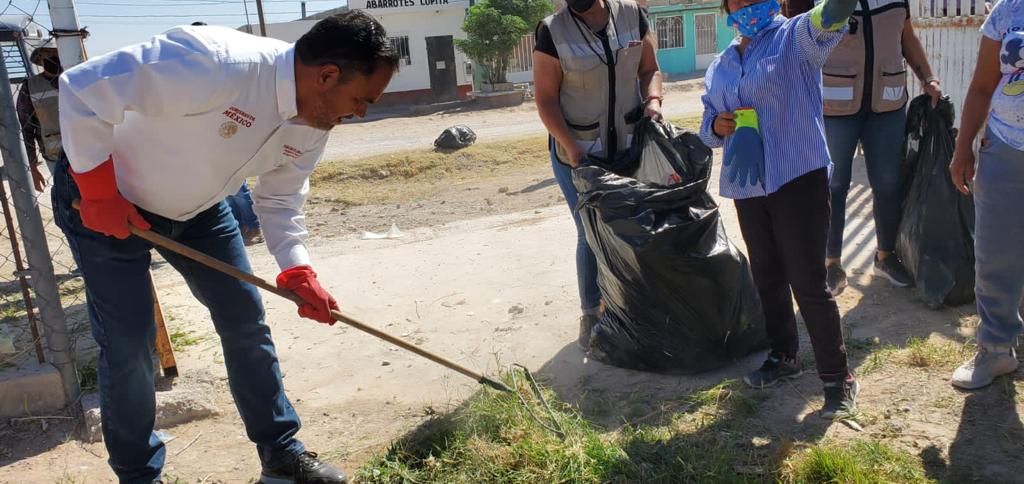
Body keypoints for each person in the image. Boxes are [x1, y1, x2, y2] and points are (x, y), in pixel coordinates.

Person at [55, 12, 398, 483]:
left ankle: (280, 454)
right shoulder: (214, 62)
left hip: (201, 211)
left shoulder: (313, 122)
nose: (360, 113)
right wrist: (97, 193)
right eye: (361, 100)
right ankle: (138, 476)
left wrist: (298, 269)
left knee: (245, 322)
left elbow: (279, 197)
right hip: (107, 202)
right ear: (326, 76)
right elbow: (82, 89)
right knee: (131, 343)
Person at [700, 0, 859, 418]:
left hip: (796, 178)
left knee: (807, 282)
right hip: (748, 181)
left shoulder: (795, 38)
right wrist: (717, 125)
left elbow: (833, 15)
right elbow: (709, 123)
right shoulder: (722, 62)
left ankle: (837, 376)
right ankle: (784, 356)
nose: (747, 3)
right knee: (767, 276)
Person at [532, 0, 662, 349]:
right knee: (590, 231)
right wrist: (572, 148)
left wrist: (653, 101)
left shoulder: (632, 15)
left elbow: (650, 69)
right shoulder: (552, 30)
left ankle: (628, 307)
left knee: (630, 229)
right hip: (578, 152)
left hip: (628, 144)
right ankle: (591, 313)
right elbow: (545, 100)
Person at [820, 0, 942, 296]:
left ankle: (885, 256)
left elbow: (907, 36)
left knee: (888, 183)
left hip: (887, 105)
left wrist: (928, 78)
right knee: (834, 185)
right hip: (835, 107)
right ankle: (831, 263)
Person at [949, 0, 1023, 390]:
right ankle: (996, 350)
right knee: (994, 253)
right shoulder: (1007, 12)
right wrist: (963, 148)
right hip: (1005, 149)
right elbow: (981, 86)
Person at [16, 40, 64, 192]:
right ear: (40, 59)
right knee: (67, 199)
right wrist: (33, 166)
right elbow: (27, 129)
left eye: (56, 54)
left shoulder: (78, 79)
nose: (52, 57)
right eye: (47, 55)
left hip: (87, 151)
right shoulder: (30, 87)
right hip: (56, 156)